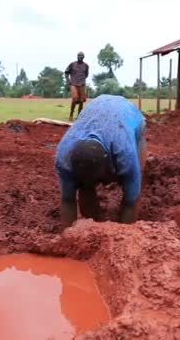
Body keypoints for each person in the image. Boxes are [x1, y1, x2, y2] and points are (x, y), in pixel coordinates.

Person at [55, 95, 146, 228]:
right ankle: (95, 223)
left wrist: (123, 236)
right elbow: (67, 200)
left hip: (127, 115)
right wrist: (68, 236)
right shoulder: (64, 159)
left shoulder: (125, 152)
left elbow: (131, 202)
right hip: (96, 114)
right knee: (85, 186)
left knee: (134, 181)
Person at [65, 52, 89, 121]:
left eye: (81, 56)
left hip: (82, 84)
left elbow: (86, 75)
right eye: (78, 55)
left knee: (81, 101)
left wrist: (82, 79)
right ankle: (71, 114)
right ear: (77, 56)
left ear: (83, 57)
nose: (80, 57)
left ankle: (79, 116)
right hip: (73, 84)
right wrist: (68, 81)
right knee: (75, 98)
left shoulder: (86, 66)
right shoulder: (72, 64)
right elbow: (66, 72)